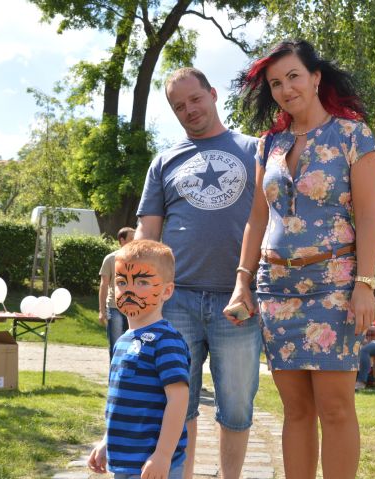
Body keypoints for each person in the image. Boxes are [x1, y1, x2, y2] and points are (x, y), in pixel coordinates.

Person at [230, 40, 375, 479]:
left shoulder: (353, 135)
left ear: (315, 78)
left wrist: (365, 284)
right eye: (276, 83)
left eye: (293, 76)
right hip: (274, 289)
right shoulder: (269, 145)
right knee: (295, 410)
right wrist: (242, 281)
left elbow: (369, 216)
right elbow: (257, 219)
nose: (285, 88)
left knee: (335, 408)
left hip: (335, 286)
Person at [135, 67, 262, 479]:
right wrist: (135, 283)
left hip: (238, 298)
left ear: (213, 94)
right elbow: (147, 232)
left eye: (195, 99)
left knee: (237, 405)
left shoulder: (255, 150)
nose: (189, 110)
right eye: (179, 106)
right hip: (175, 301)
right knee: (177, 402)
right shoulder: (164, 161)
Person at [87, 240, 190, 479]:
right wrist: (107, 442)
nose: (129, 290)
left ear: (166, 291)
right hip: (124, 462)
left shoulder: (166, 340)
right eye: (122, 282)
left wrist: (163, 454)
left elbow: (178, 399)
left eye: (142, 282)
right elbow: (119, 401)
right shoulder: (123, 341)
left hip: (153, 465)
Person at [98, 226, 135, 359]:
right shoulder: (110, 259)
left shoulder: (140, 260)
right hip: (114, 308)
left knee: (133, 346)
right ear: (122, 240)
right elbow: (103, 285)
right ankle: (114, 372)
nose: (135, 241)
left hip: (134, 309)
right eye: (132, 238)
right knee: (116, 345)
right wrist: (102, 310)